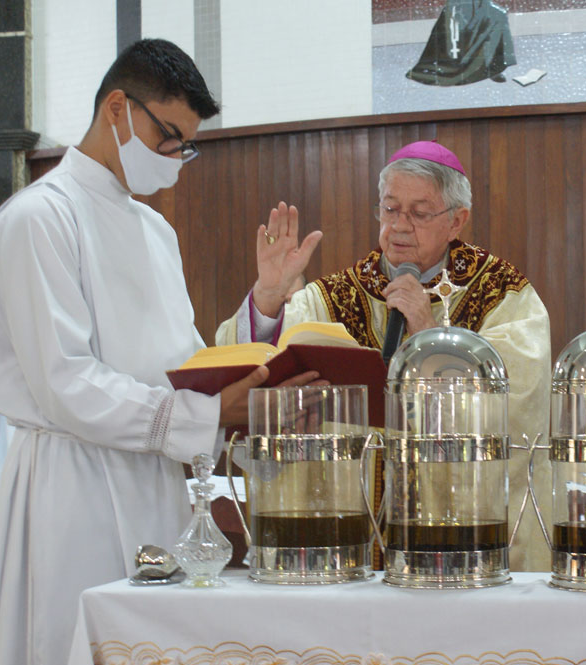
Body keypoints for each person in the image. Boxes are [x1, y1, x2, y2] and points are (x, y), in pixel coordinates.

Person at [0, 39, 317, 665]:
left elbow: (185, 364)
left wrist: (265, 308)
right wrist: (201, 417)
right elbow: (64, 383)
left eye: (187, 145)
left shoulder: (156, 232)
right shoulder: (39, 220)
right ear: (117, 109)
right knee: (74, 652)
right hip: (71, 485)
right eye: (170, 136)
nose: (177, 158)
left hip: (157, 484)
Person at [215, 140, 552, 569]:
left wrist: (428, 334)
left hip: (459, 537)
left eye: (419, 212)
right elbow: (242, 368)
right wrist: (267, 296)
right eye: (390, 209)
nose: (400, 226)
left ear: (456, 221)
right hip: (350, 538)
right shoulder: (337, 295)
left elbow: (522, 397)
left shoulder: (500, 293)